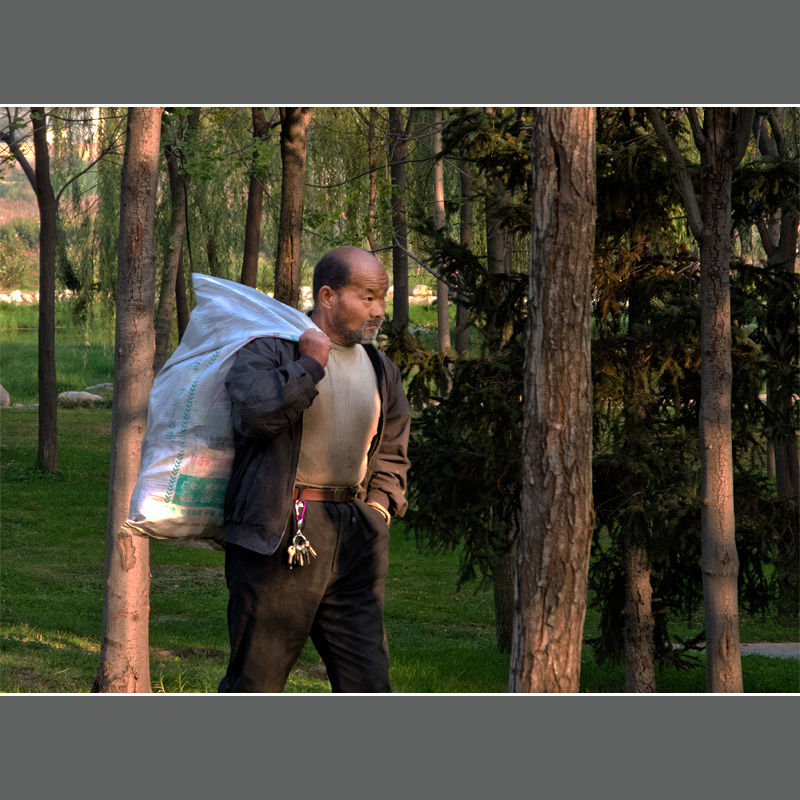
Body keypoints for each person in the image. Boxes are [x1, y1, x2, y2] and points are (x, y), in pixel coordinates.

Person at [218, 246, 411, 693]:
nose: (379, 310)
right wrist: (309, 365)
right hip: (280, 532)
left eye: (382, 297)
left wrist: (379, 508)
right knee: (256, 682)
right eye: (367, 297)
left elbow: (393, 448)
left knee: (369, 683)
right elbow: (254, 414)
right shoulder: (271, 348)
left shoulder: (382, 369)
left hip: (357, 535)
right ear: (327, 295)